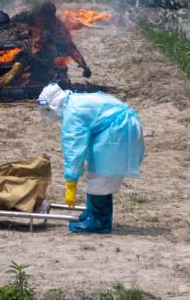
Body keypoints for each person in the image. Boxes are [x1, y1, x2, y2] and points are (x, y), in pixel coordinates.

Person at [38, 83, 144, 234]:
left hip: (118, 131)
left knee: (100, 176)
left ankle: (100, 222)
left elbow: (73, 148)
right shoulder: (75, 101)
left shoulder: (73, 111)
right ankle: (92, 213)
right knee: (96, 172)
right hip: (120, 127)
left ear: (52, 105)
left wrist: (71, 181)